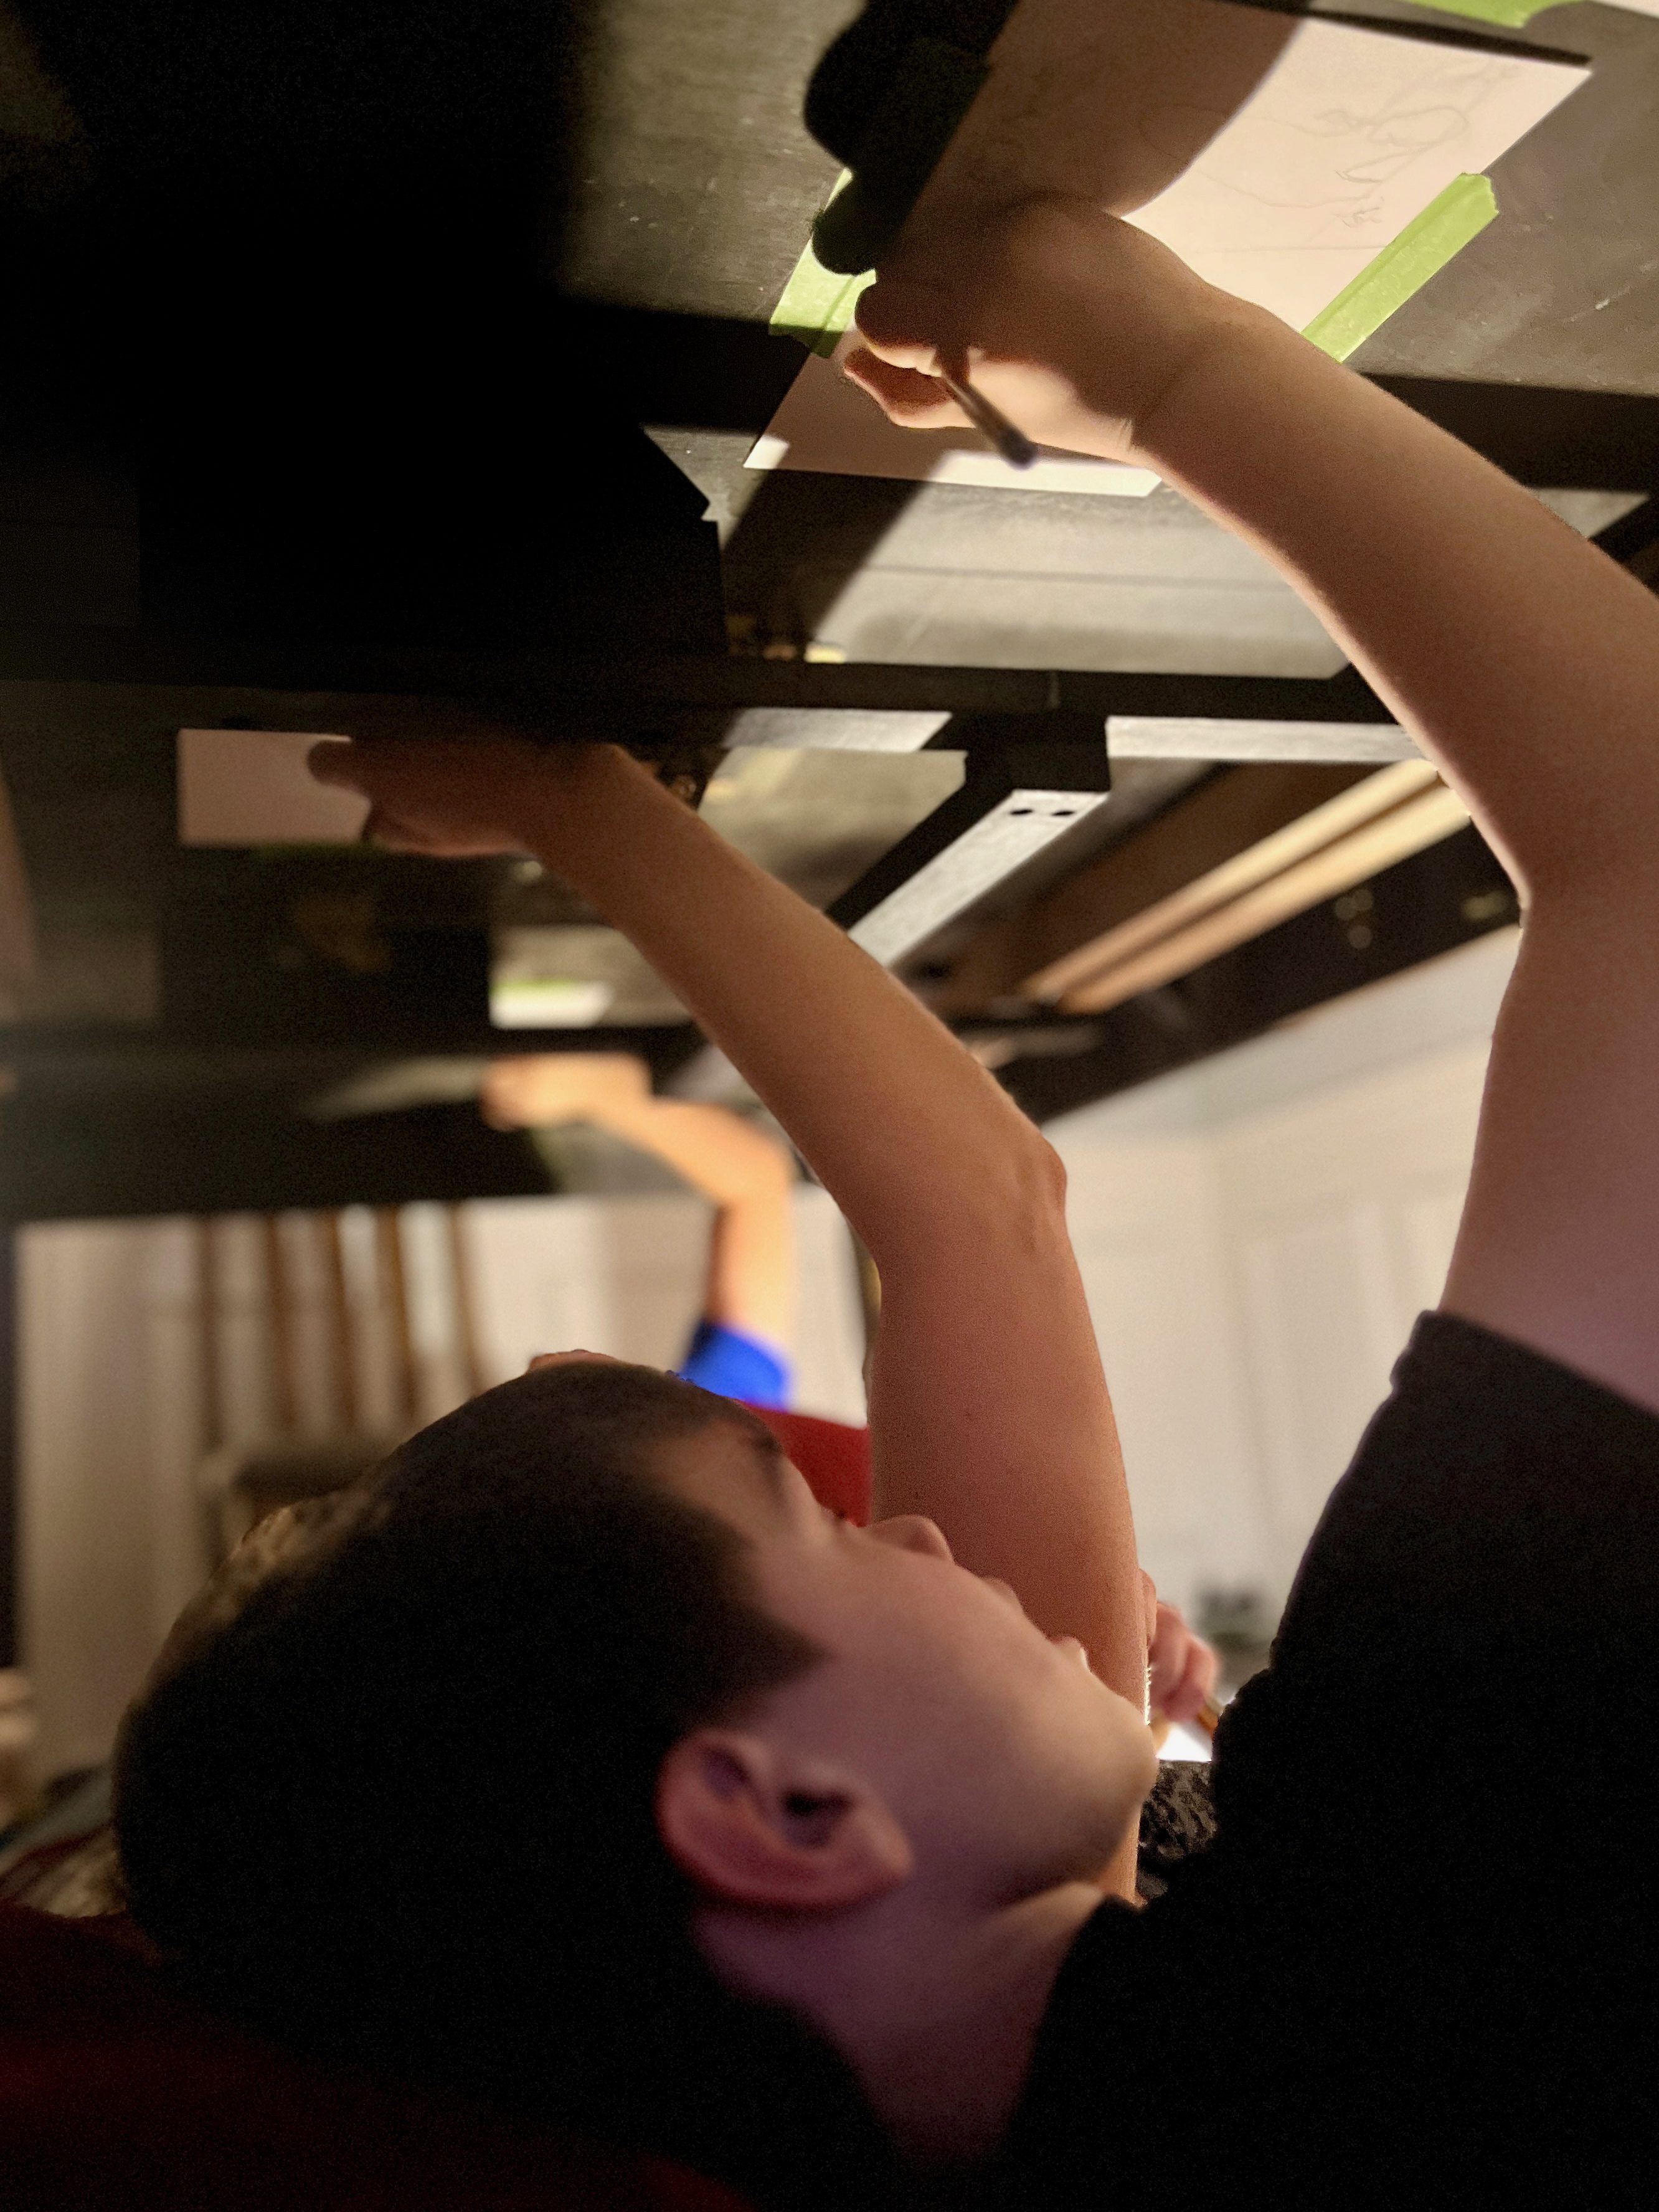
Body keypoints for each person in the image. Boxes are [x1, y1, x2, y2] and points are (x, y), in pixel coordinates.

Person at [111, 197, 1659, 2205]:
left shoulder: (1057, 2032)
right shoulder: (1372, 1996)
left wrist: (574, 795)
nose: (918, 1524)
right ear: (783, 1814)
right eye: (826, 1532)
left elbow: (969, 1215)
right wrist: (1168, 366)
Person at [479, 1052, 799, 1409]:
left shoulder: (719, 1422)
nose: (551, 1360)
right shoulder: (726, 1416)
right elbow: (757, 1180)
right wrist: (596, 1091)